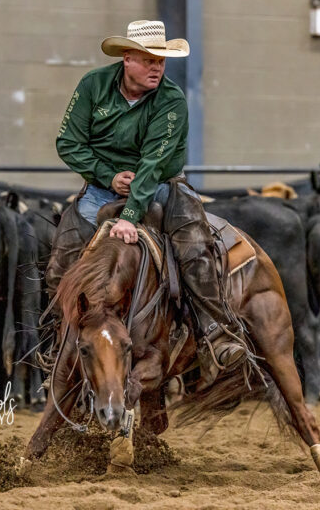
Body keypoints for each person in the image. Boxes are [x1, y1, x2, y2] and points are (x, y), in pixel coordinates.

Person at [46, 20, 247, 386]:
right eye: (149, 60)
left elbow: (154, 163)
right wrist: (107, 175)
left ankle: (215, 332)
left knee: (195, 248)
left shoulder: (170, 100)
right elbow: (68, 142)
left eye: (162, 61)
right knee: (62, 257)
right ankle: (60, 345)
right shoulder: (93, 86)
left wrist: (131, 216)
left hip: (160, 186)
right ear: (127, 59)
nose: (157, 68)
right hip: (103, 185)